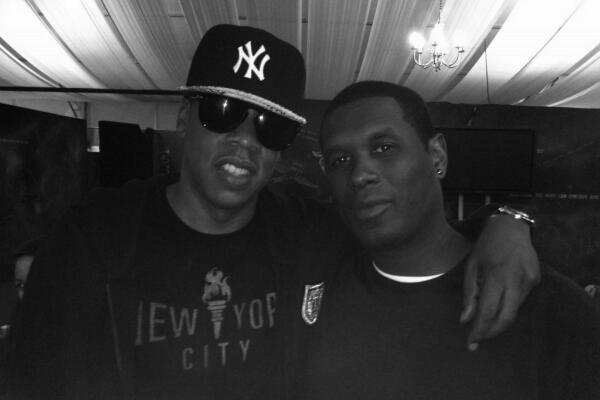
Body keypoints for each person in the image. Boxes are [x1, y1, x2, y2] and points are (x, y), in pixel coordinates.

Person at [10, 26, 539, 400]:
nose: (245, 140)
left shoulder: (306, 232)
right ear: (184, 119)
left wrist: (505, 222)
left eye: (271, 126)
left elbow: (409, 233)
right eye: (223, 112)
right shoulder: (94, 241)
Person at [299, 81, 600, 400]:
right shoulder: (317, 291)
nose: (360, 174)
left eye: (384, 148)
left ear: (437, 155)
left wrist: (510, 220)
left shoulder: (553, 311)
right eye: (340, 161)